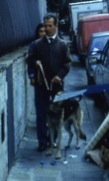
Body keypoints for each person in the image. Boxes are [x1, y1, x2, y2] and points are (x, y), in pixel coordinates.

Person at [27, 13, 72, 152]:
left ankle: (53, 140)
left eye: (50, 26)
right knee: (41, 114)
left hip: (57, 86)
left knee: (57, 115)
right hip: (41, 86)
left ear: (56, 26)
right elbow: (29, 60)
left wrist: (60, 76)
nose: (46, 28)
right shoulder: (37, 44)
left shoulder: (63, 45)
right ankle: (42, 142)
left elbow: (67, 63)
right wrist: (35, 64)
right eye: (45, 25)